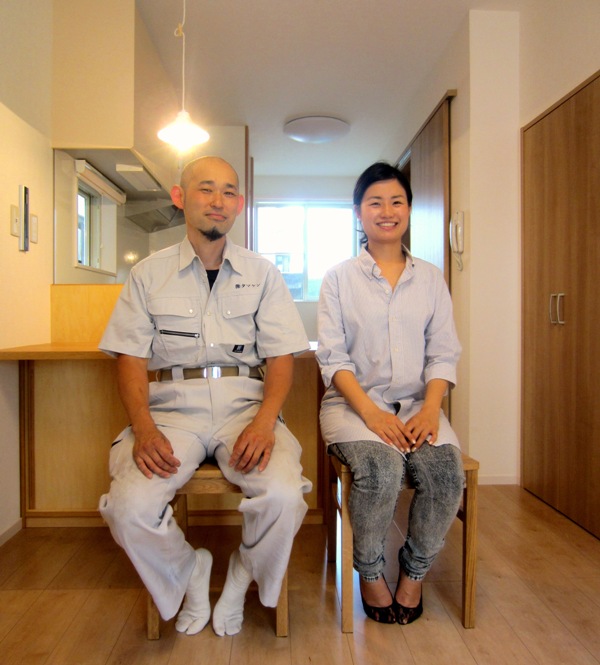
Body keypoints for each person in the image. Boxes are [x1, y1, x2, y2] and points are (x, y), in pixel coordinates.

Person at [98, 156, 312, 637]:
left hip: (245, 410)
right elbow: (129, 358)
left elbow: (281, 358)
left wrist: (265, 422)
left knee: (284, 495)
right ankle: (190, 569)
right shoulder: (148, 274)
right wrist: (144, 428)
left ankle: (241, 574)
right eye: (206, 189)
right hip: (171, 412)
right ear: (179, 197)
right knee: (129, 508)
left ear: (240, 203)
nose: (219, 201)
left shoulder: (263, 273)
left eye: (229, 192)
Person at [316, 162, 464, 625]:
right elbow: (333, 358)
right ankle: (369, 571)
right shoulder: (339, 278)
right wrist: (373, 415)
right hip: (352, 407)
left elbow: (443, 353)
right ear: (358, 212)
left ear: (409, 210)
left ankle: (414, 571)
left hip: (419, 406)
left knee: (445, 476)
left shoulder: (432, 278)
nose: (387, 211)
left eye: (396, 201)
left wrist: (433, 410)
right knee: (380, 471)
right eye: (375, 202)